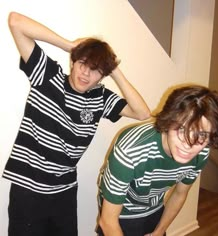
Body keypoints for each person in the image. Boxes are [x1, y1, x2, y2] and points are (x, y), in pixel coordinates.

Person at [2, 11, 151, 236]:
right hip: (28, 190)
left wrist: (114, 69)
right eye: (82, 63)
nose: (86, 73)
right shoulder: (48, 76)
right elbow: (15, 21)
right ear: (73, 60)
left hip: (65, 192)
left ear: (102, 75)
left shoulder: (100, 97)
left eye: (95, 70)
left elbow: (142, 113)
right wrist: (69, 45)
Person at [97, 85, 218, 236]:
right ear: (168, 122)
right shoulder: (130, 149)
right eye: (182, 130)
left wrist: (160, 231)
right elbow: (107, 221)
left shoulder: (201, 153)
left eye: (201, 135)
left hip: (154, 204)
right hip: (123, 210)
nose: (188, 145)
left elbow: (179, 194)